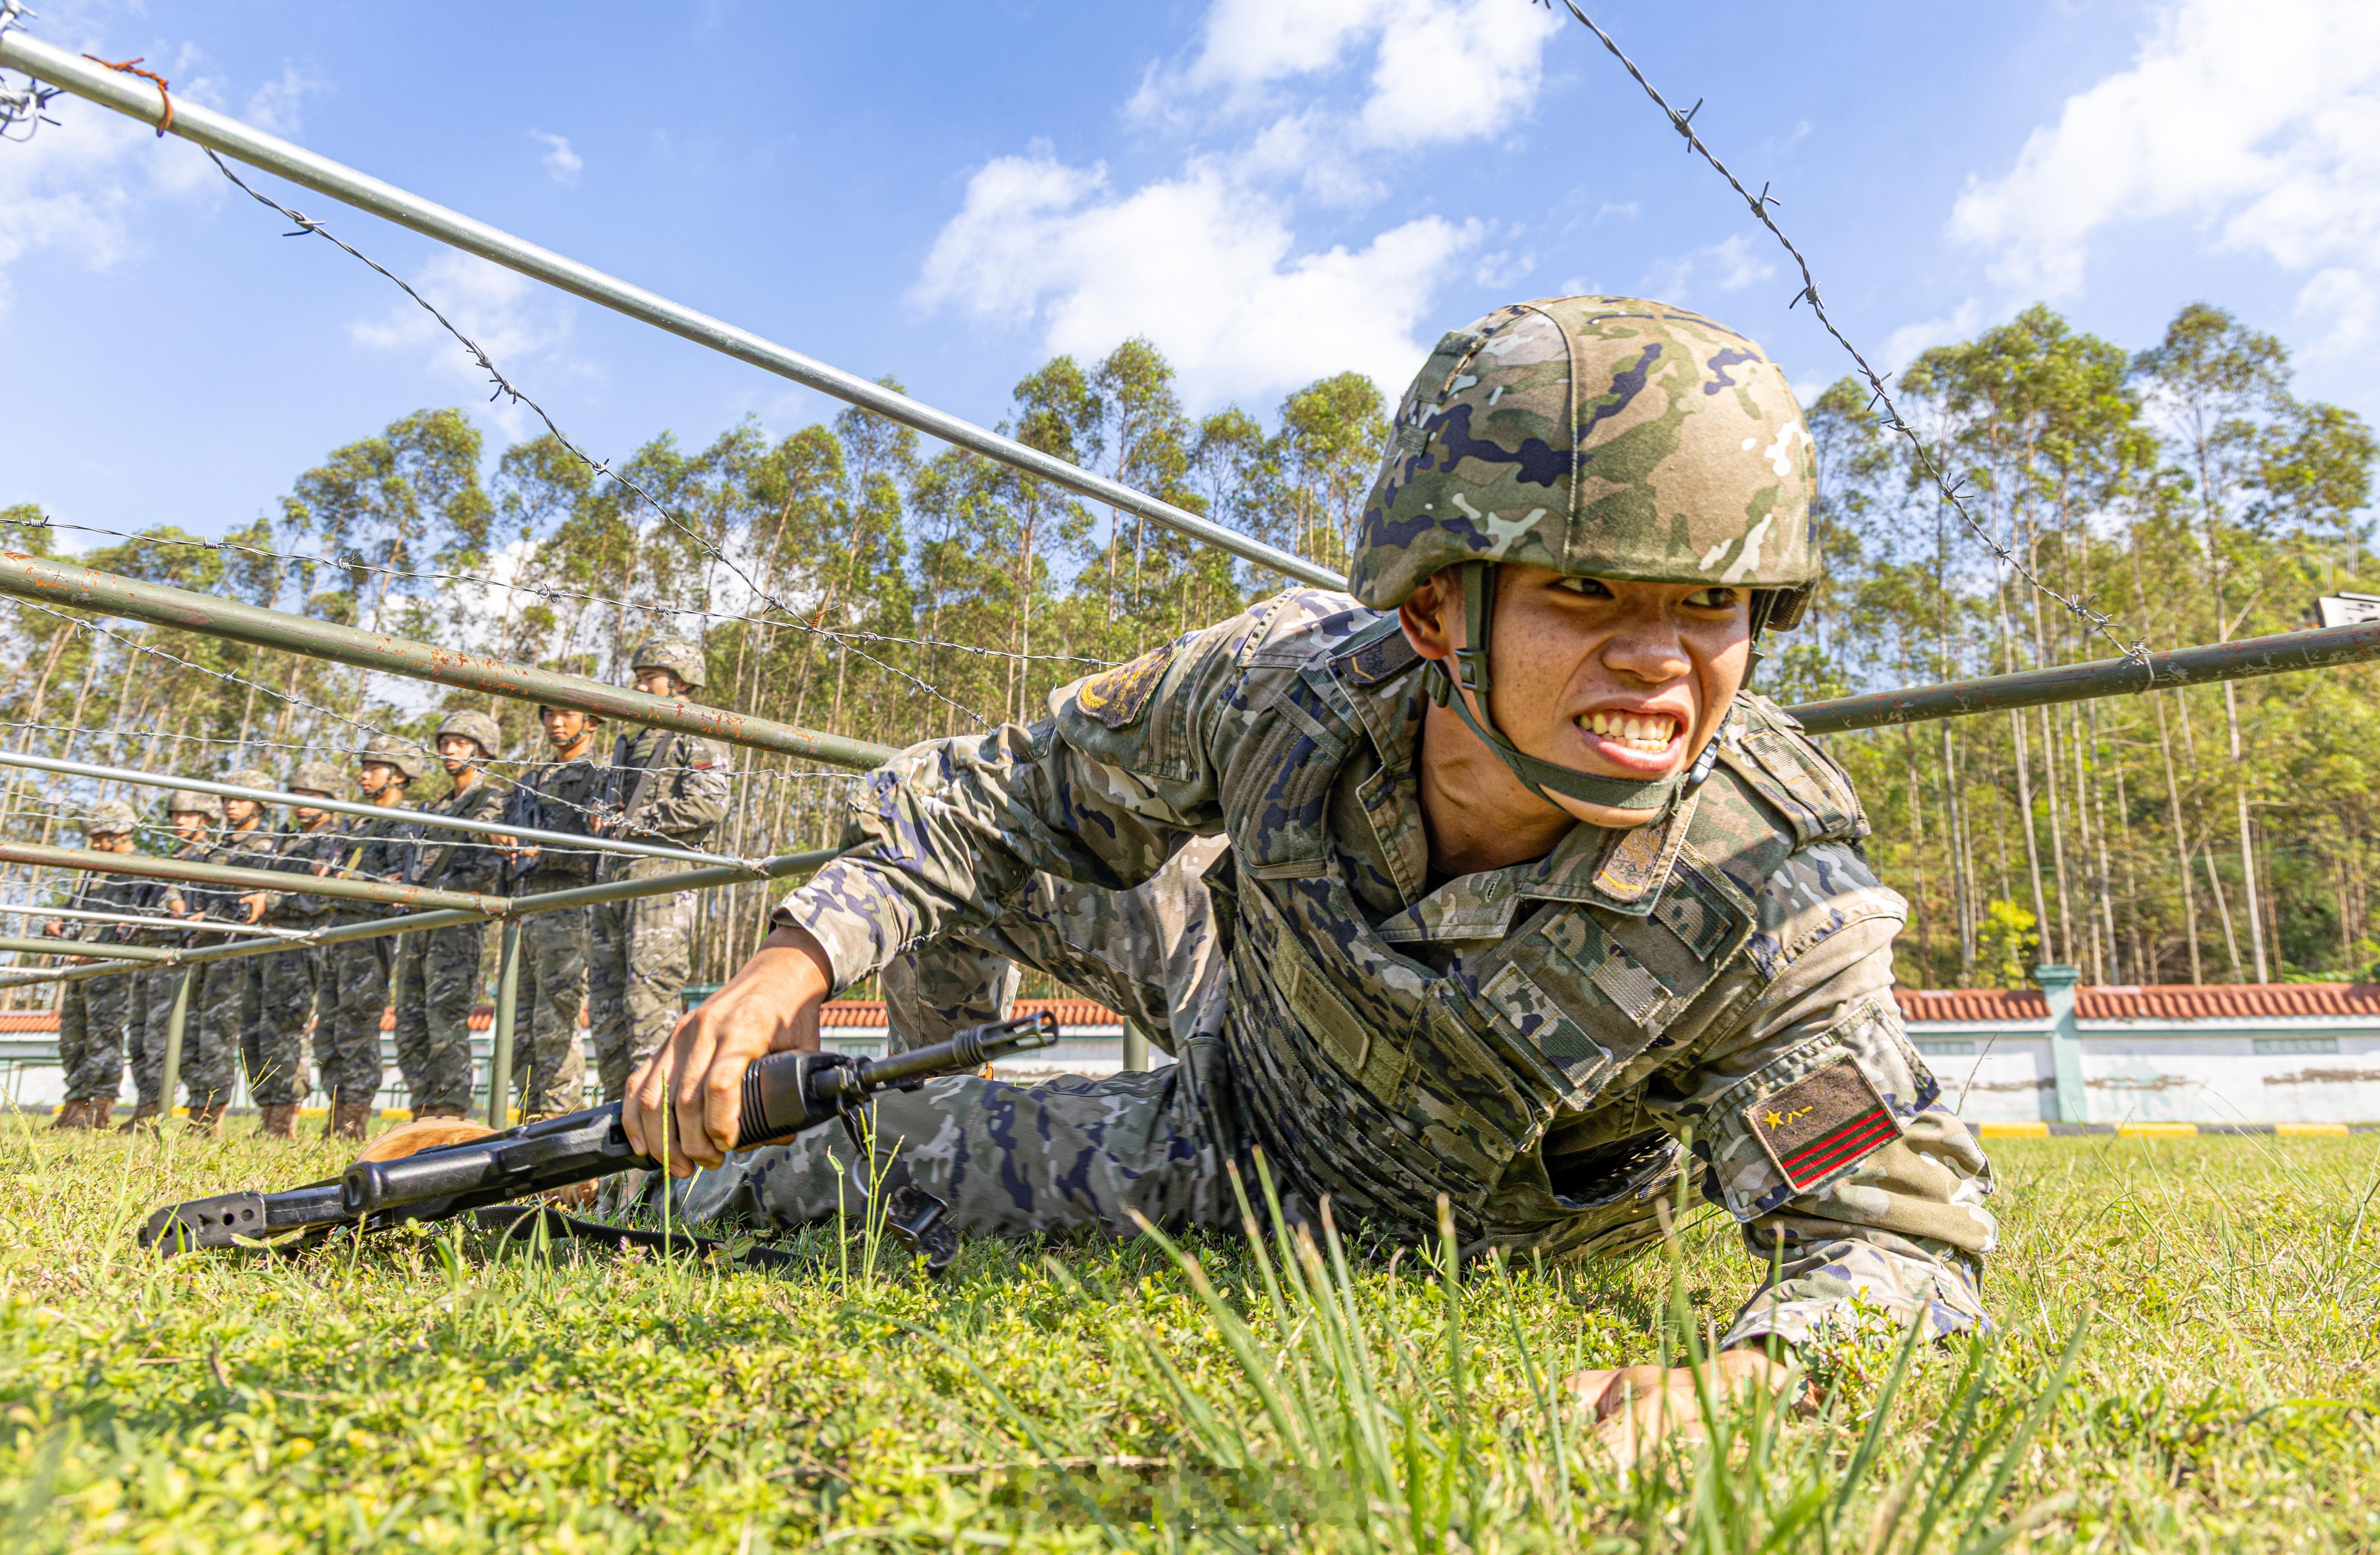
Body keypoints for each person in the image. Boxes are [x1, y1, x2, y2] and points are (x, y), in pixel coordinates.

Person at [625, 296, 1999, 1457]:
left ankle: (900, 1144)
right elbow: (1002, 788)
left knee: (838, 1183)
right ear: (1432, 611)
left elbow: (1900, 1243)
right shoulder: (1282, 688)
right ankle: (910, 1088)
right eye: (1583, 591)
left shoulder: (1767, 891)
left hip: (1339, 1199)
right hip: (1257, 1021)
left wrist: (1743, 1388)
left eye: (1709, 603)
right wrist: (792, 960)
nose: (1660, 660)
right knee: (957, 900)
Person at [589, 639, 729, 1102]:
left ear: (682, 680)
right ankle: (611, 1126)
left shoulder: (697, 730)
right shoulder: (629, 738)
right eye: (640, 675)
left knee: (649, 1000)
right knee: (607, 1011)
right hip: (615, 876)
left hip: (662, 873)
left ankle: (653, 1127)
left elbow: (709, 802)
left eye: (651, 675)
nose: (641, 684)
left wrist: (637, 820)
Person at [390, 712, 508, 1119]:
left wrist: (440, 887)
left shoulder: (491, 800)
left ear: (482, 750)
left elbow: (492, 863)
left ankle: (448, 1109)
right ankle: (421, 1108)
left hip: (457, 921)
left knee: (445, 1016)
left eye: (460, 743)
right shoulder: (436, 806)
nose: (450, 750)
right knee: (409, 1019)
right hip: (421, 920)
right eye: (446, 742)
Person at [312, 736, 426, 1142]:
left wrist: (350, 881)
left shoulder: (406, 820)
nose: (364, 774)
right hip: (338, 929)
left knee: (357, 1025)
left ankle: (352, 1120)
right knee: (328, 1027)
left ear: (398, 774)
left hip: (370, 932)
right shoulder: (355, 820)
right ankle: (336, 1109)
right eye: (365, 766)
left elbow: (401, 879)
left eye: (374, 767)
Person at [497, 703, 606, 1116]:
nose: (556, 724)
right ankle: (528, 1116)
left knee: (555, 1019)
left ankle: (559, 1118)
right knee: (518, 1022)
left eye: (567, 714)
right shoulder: (531, 780)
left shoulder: (604, 777)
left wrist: (548, 850)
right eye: (548, 715)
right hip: (527, 906)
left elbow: (603, 846)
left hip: (570, 905)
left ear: (591, 722)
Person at [179, 770, 281, 1138]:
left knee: (222, 1034)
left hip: (239, 951)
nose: (231, 804)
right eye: (227, 798)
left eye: (240, 797)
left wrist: (211, 914)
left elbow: (249, 902)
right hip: (205, 948)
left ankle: (213, 1117)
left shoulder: (269, 847)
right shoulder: (216, 849)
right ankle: (198, 1112)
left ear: (260, 804)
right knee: (195, 1033)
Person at [247, 762, 343, 1139]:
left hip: (306, 942)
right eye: (299, 796)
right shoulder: (284, 839)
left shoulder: (336, 839)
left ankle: (286, 1118)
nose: (303, 805)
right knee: (259, 1031)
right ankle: (269, 1113)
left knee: (290, 1026)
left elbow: (321, 895)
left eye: (315, 797)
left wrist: (270, 900)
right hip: (271, 943)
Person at [121, 790, 218, 1132]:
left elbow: (213, 906)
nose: (179, 821)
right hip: (159, 955)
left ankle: (196, 1115)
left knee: (184, 1038)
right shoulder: (175, 858)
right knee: (145, 1037)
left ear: (205, 819)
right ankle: (149, 1108)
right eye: (176, 815)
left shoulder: (211, 857)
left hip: (189, 956)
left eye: (189, 815)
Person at [45, 799, 143, 1130]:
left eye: (103, 836)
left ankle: (97, 1109)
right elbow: (76, 910)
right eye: (94, 837)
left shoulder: (141, 870)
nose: (97, 843)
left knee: (104, 1037)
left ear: (123, 831)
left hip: (111, 970)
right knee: (74, 1038)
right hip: (80, 969)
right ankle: (75, 1104)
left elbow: (139, 924)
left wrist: (100, 953)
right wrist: (58, 923)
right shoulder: (93, 873)